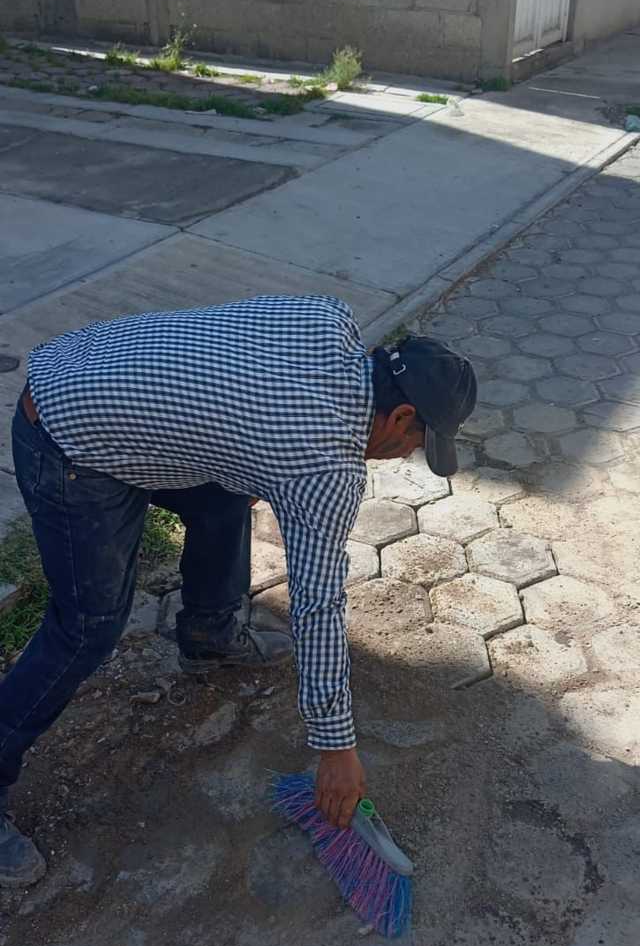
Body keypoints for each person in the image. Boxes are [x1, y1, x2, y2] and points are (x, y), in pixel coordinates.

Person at [0, 295, 476, 887]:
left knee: (226, 495)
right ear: (401, 417)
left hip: (87, 369)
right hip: (67, 438)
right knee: (87, 627)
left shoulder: (328, 317)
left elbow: (225, 361)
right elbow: (317, 604)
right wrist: (336, 749)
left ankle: (210, 634)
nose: (405, 457)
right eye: (416, 444)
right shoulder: (323, 466)